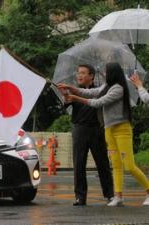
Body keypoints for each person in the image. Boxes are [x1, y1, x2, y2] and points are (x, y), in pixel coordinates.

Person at [58, 62, 149, 207]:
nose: (103, 74)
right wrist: (71, 88)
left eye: (106, 72)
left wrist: (76, 97)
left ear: (112, 73)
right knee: (116, 165)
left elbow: (99, 102)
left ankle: (145, 190)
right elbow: (89, 93)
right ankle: (117, 196)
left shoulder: (117, 89)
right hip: (107, 129)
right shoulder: (105, 87)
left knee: (128, 165)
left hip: (120, 129)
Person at [61, 64, 114, 206]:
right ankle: (80, 196)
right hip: (79, 129)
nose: (79, 75)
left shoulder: (100, 90)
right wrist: (66, 98)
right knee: (79, 164)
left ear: (91, 76)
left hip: (97, 130)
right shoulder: (74, 91)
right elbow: (63, 106)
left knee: (103, 163)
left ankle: (109, 194)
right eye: (78, 73)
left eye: (83, 73)